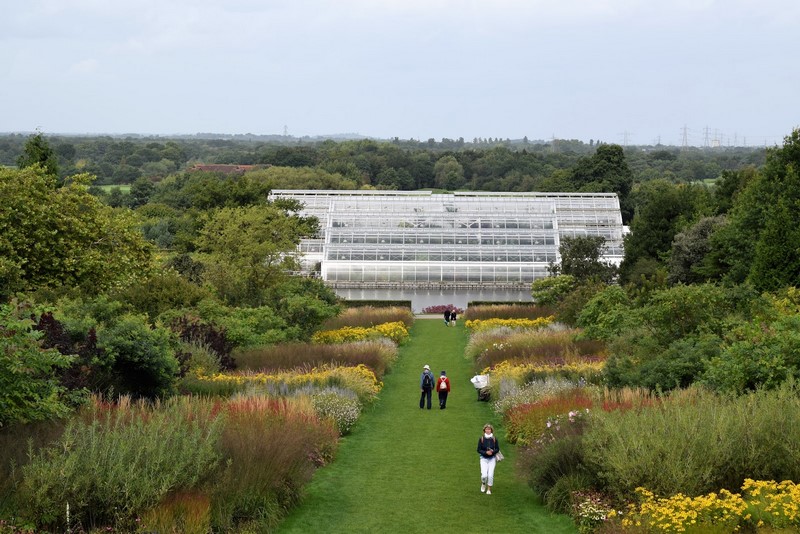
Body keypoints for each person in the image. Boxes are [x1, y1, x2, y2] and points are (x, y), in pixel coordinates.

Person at [477, 423, 500, 495]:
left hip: (492, 459)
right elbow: (478, 450)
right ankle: (483, 483)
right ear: (484, 430)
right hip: (483, 458)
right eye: (486, 429)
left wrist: (492, 452)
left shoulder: (494, 439)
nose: (488, 430)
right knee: (484, 475)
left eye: (489, 429)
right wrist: (486, 452)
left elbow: (497, 449)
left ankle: (489, 489)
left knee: (490, 475)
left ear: (491, 430)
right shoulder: (481, 439)